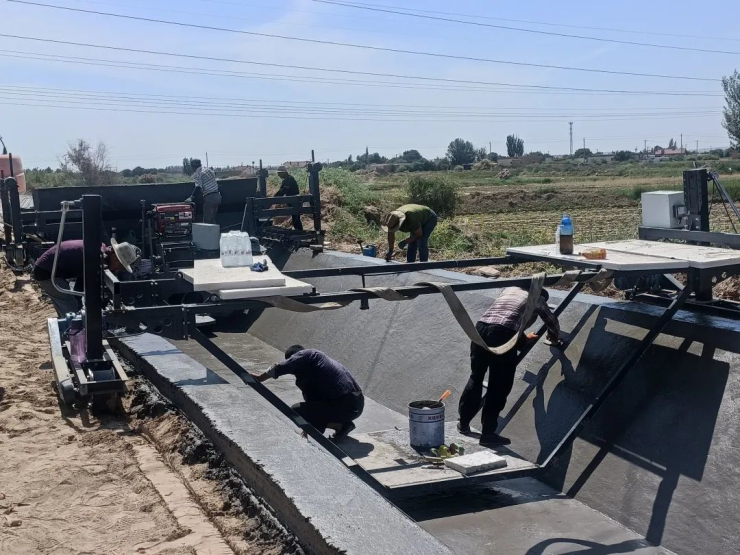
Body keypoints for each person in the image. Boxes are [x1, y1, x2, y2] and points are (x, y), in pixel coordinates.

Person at [457, 287, 561, 447]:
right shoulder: (538, 297)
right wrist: (553, 337)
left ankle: (463, 424)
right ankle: (488, 434)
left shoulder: (510, 290)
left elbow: (505, 319)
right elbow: (551, 321)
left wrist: (524, 339)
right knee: (498, 386)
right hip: (503, 333)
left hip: (481, 329)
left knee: (476, 377)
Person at [252, 345, 364, 441]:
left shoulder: (308, 355)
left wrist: (260, 378)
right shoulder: (314, 369)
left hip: (346, 403)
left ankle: (340, 426)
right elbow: (312, 406)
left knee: (295, 411)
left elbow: (282, 366)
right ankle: (343, 425)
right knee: (304, 410)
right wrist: (307, 429)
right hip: (354, 406)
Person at [33, 239, 138, 318]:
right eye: (121, 266)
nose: (118, 270)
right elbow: (86, 281)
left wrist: (79, 300)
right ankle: (70, 332)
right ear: (115, 257)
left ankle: (67, 326)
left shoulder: (99, 250)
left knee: (72, 303)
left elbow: (82, 278)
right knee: (69, 307)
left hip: (53, 268)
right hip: (46, 271)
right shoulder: (96, 257)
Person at [186, 159, 221, 224]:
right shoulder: (208, 170)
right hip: (218, 196)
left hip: (210, 198)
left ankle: (210, 230)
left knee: (207, 221)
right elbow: (214, 174)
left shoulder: (198, 174)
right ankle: (215, 230)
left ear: (193, 166)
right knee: (212, 219)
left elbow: (198, 187)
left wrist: (191, 197)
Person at [274, 166, 303, 230]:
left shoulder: (289, 180)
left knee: (296, 219)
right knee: (295, 218)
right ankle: (298, 231)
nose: (278, 175)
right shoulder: (286, 180)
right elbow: (281, 190)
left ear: (284, 173)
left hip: (295, 202)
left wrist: (274, 198)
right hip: (293, 201)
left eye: (279, 173)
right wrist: (275, 197)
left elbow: (283, 191)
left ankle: (299, 231)